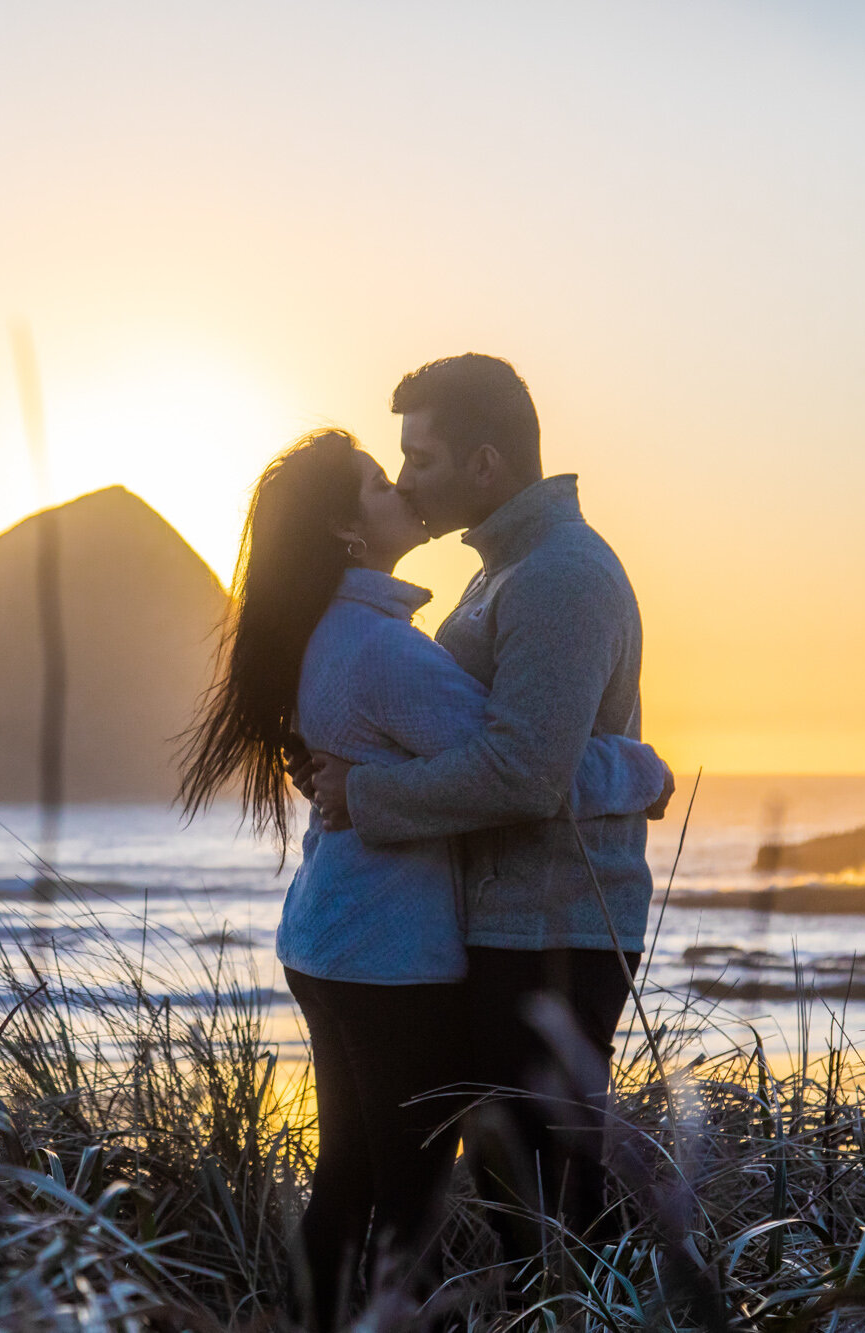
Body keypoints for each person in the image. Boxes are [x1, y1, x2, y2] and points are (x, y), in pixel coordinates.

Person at [178, 428, 669, 1330]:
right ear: (346, 530)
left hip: (330, 940)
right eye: (379, 480)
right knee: (407, 1198)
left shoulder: (336, 631)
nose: (402, 486)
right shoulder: (385, 650)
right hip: (386, 957)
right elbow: (521, 770)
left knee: (349, 1178)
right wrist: (640, 770)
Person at [309, 354, 668, 1265]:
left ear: (485, 463)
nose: (406, 480)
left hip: (554, 932)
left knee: (547, 1205)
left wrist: (364, 793)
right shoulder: (502, 571)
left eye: (421, 458)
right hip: (508, 927)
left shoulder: (559, 576)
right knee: (523, 1197)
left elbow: (523, 773)